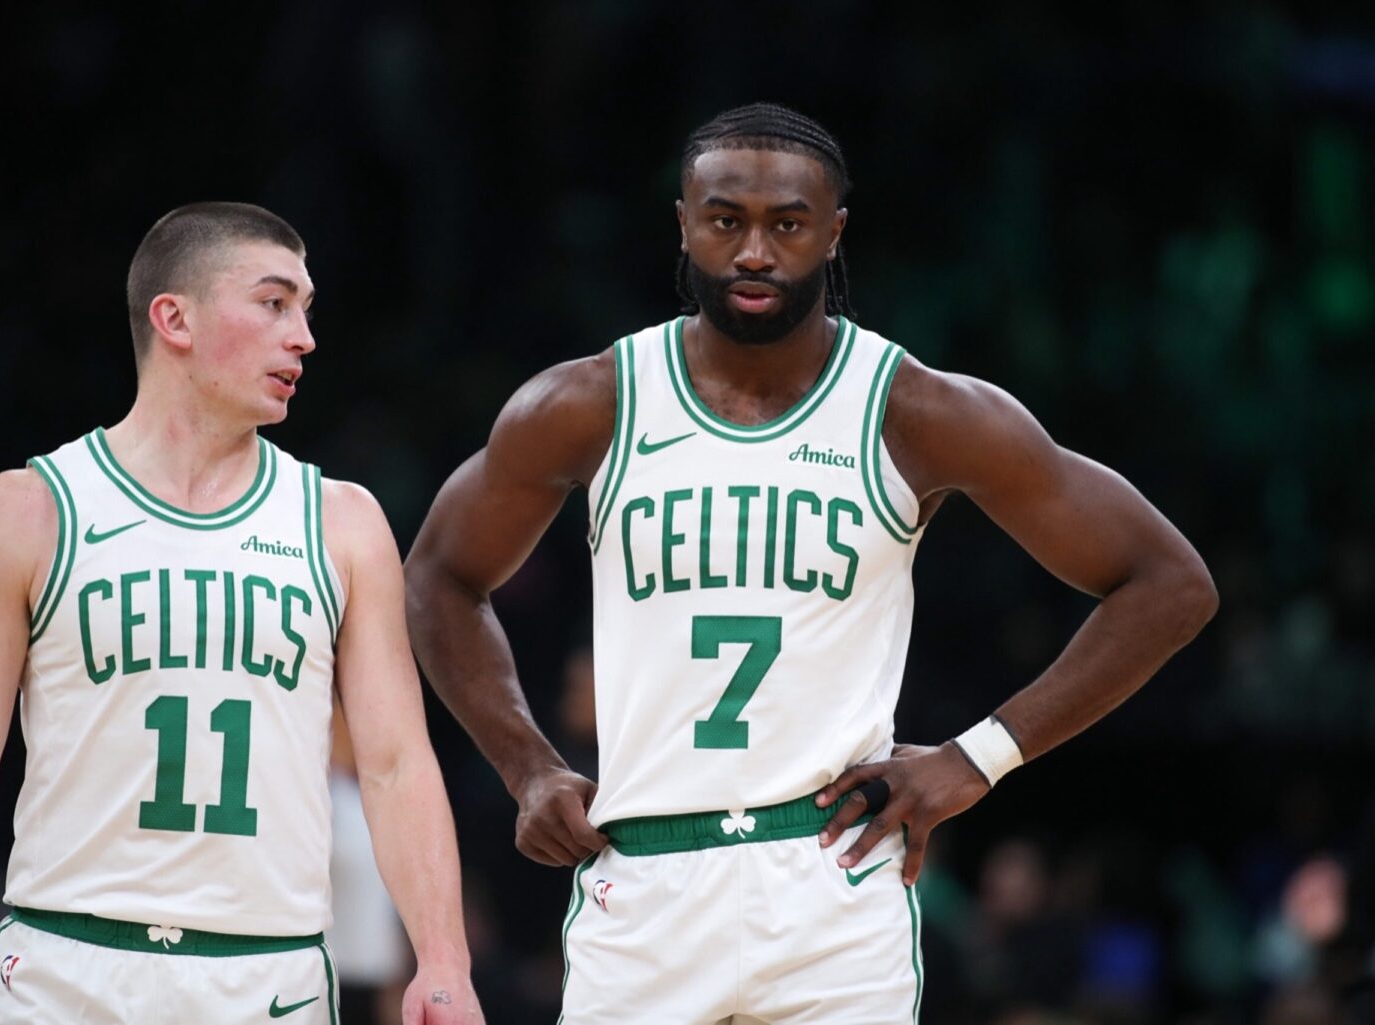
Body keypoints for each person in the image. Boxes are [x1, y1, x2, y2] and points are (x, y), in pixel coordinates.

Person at [404, 104, 1217, 1023]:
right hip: (644, 879)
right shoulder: (591, 402)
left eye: (787, 224)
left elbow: (1169, 584)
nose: (754, 251)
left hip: (831, 879)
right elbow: (438, 575)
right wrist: (528, 767)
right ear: (684, 224)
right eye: (726, 220)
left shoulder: (914, 409)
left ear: (833, 234)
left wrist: (977, 757)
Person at [0, 203, 483, 1025]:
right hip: (65, 966)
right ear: (175, 319)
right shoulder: (27, 511)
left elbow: (395, 764)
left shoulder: (341, 522)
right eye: (275, 303)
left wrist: (444, 960)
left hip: (268, 975)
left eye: (307, 309)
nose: (305, 337)